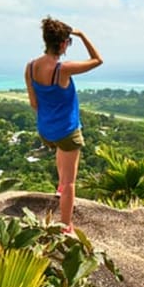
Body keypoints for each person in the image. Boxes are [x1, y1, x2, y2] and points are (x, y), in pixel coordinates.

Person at [25, 16, 102, 233]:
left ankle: (59, 189)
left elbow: (33, 103)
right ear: (62, 44)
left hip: (46, 130)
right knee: (70, 182)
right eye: (68, 42)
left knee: (61, 149)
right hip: (66, 130)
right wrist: (83, 35)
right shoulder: (63, 69)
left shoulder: (30, 68)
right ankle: (65, 226)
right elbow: (97, 60)